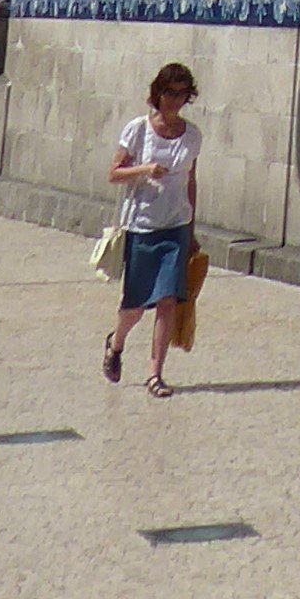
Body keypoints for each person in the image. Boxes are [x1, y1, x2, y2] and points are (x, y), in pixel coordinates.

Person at [104, 62, 200, 396]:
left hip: (175, 226)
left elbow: (191, 181)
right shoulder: (137, 130)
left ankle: (154, 373)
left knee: (167, 300)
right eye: (169, 93)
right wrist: (145, 170)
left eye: (181, 94)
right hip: (142, 226)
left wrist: (192, 229)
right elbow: (114, 173)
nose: (174, 100)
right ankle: (116, 344)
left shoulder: (193, 136)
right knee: (135, 305)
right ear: (157, 93)